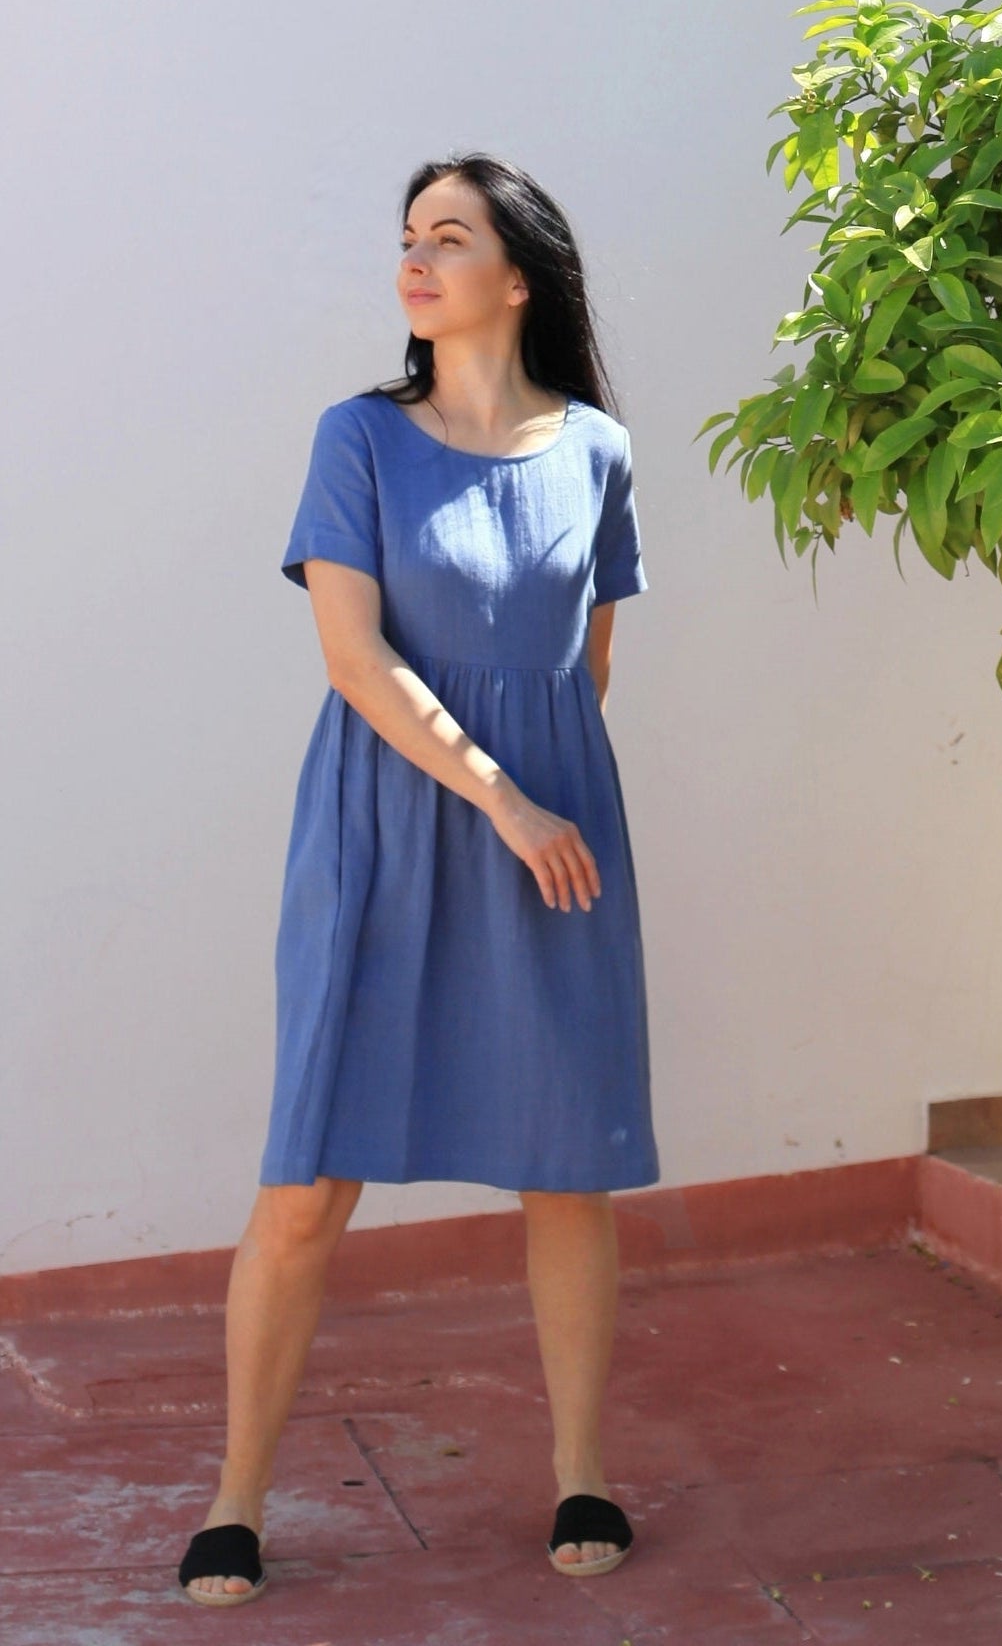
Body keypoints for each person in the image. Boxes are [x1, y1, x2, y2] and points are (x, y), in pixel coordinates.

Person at [177, 152, 659, 1606]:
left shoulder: (597, 452)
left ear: (517, 277)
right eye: (408, 237)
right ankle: (236, 1500)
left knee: (565, 1170)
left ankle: (582, 1474)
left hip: (551, 845)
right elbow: (353, 658)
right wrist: (500, 796)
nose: (416, 258)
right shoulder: (360, 439)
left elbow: (589, 664)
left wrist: (533, 807)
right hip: (389, 830)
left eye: (449, 237)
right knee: (308, 1179)